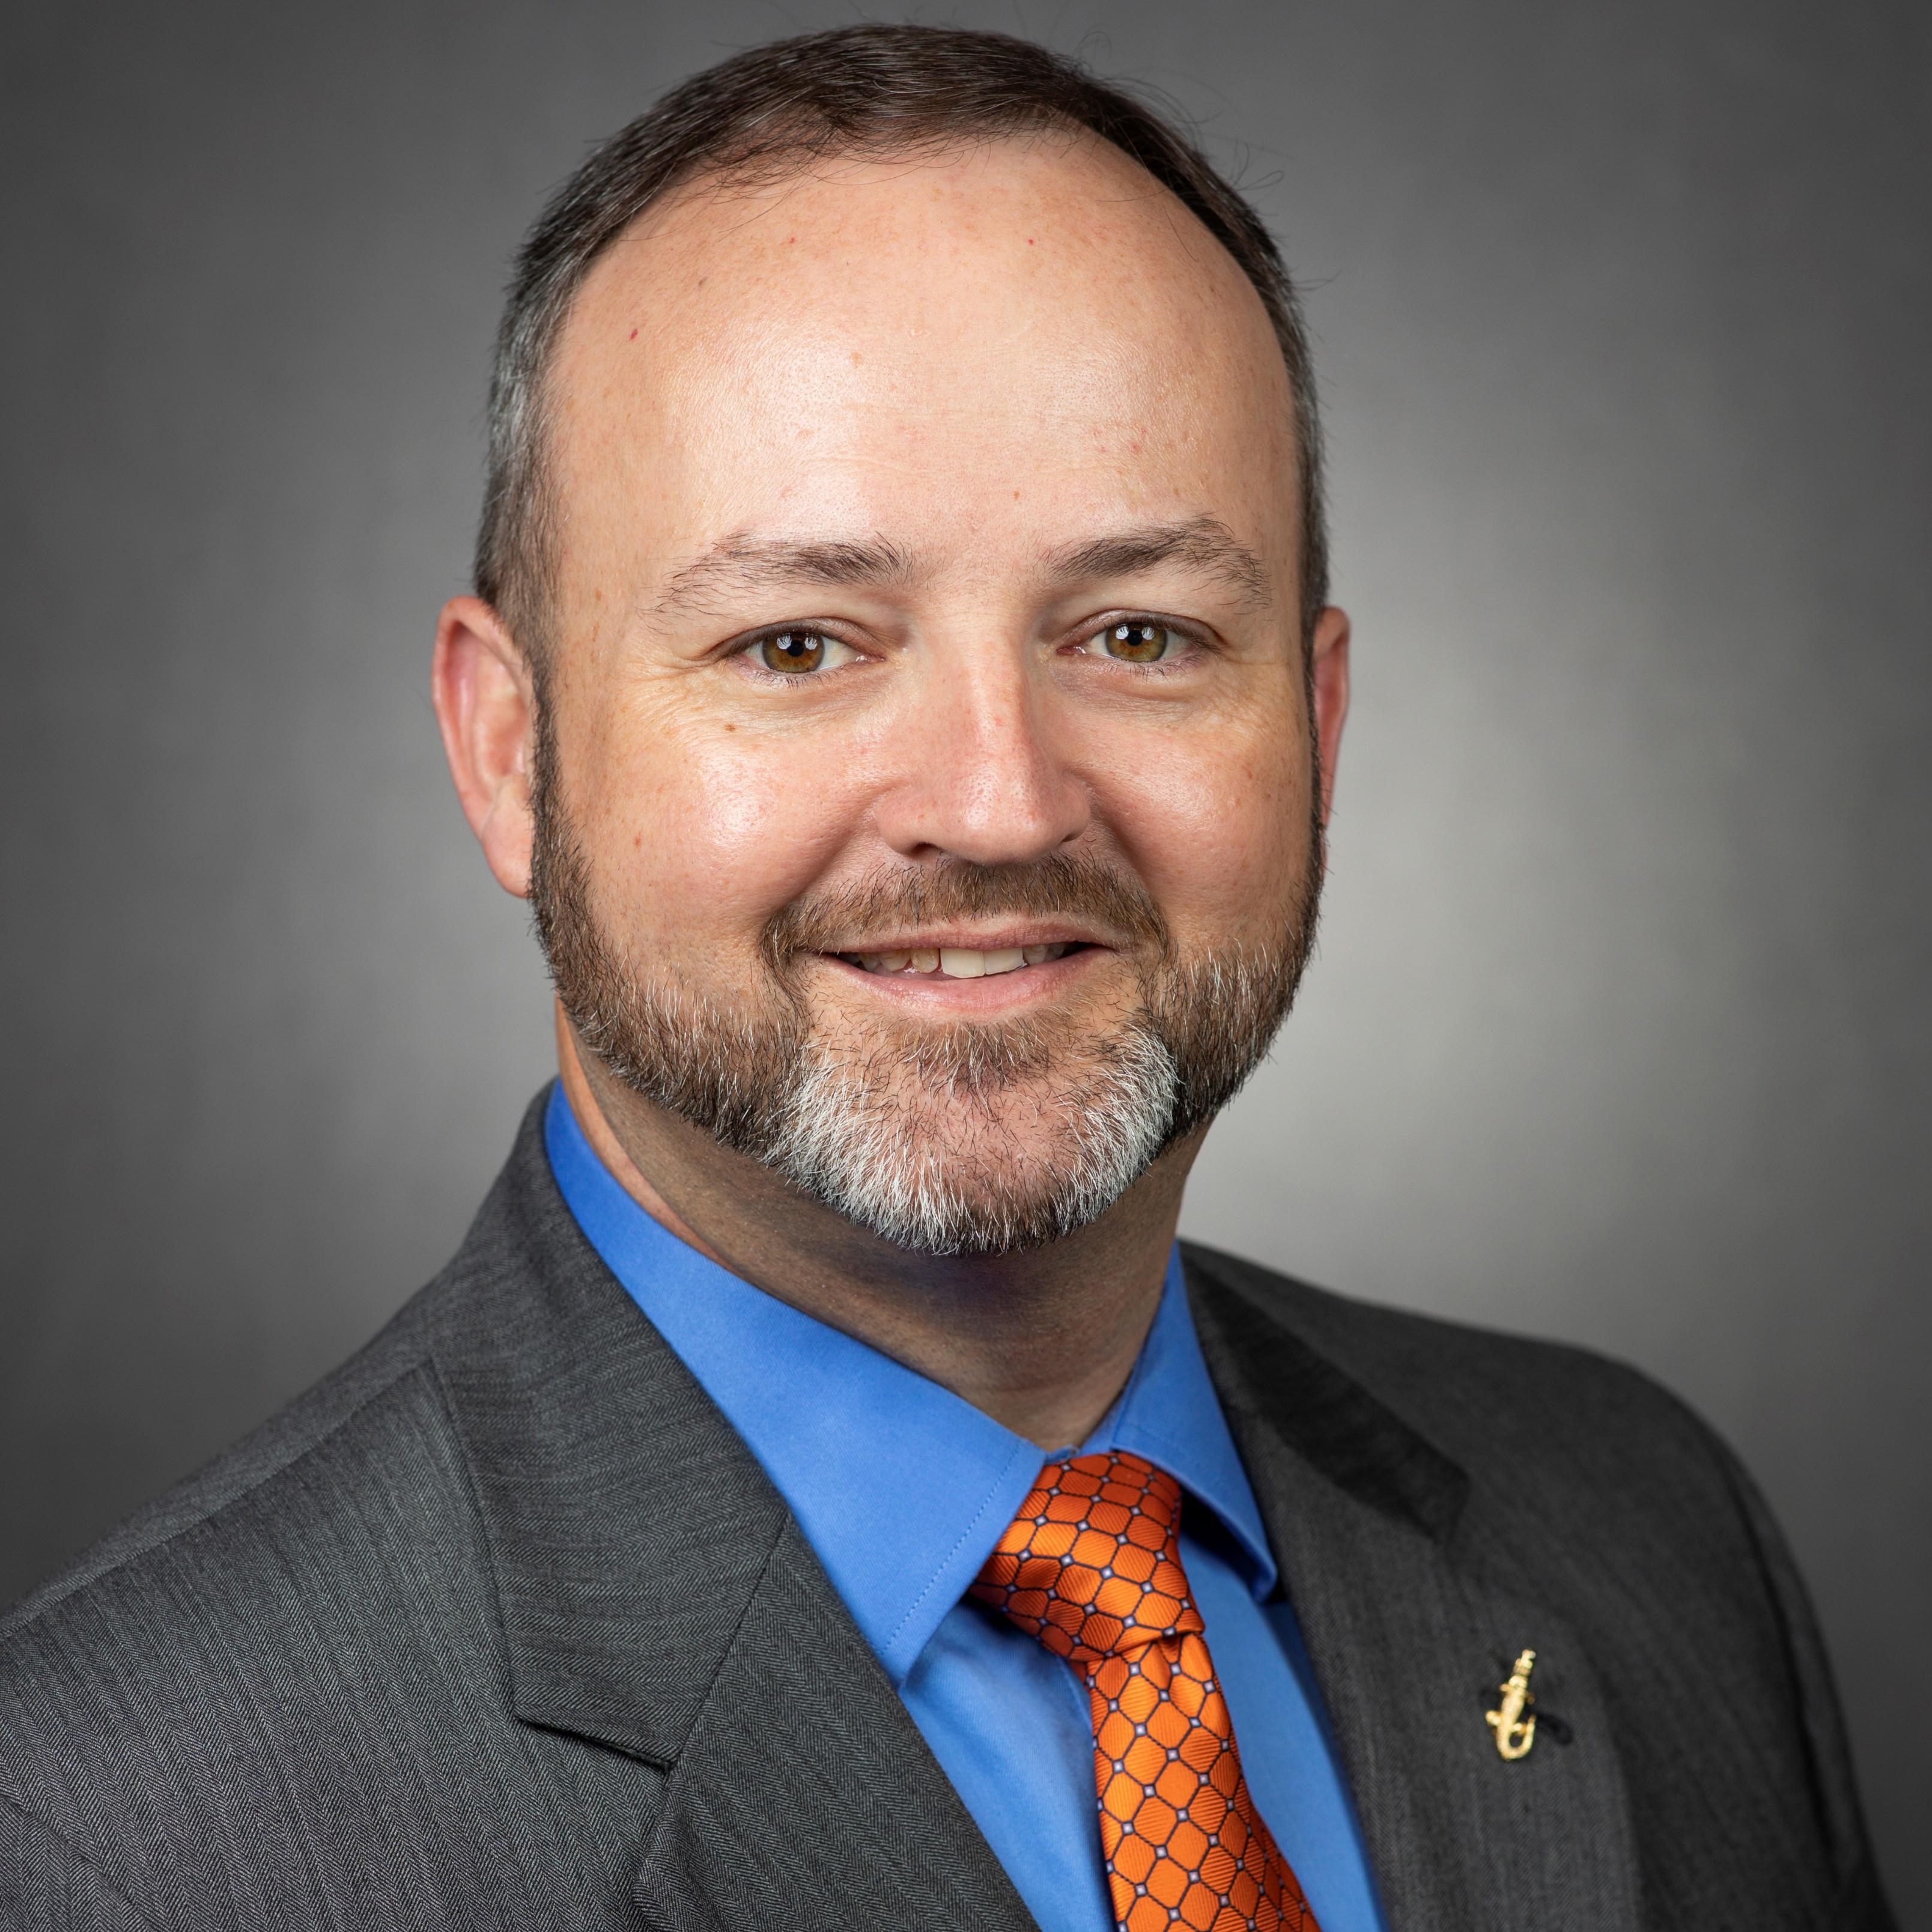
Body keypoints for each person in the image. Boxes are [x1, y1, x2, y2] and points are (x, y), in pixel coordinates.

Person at [0, 24, 1894, 1932]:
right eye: (800, 645)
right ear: (512, 753)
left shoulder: (1644, 1530)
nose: (998, 800)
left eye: (1141, 632)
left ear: (1316, 725)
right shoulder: (116, 1829)